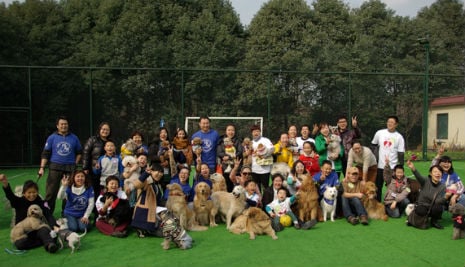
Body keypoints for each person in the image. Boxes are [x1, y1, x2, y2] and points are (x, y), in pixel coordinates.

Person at [0, 174, 58, 253]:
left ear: (37, 192)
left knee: (45, 230)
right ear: (24, 193)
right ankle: (45, 241)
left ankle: (50, 245)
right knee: (19, 244)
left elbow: (48, 215)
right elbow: (10, 196)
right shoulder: (18, 202)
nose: (32, 195)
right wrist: (5, 184)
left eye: (34, 192)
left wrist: (54, 226)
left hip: (38, 229)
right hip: (23, 232)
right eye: (29, 192)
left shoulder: (41, 202)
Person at [38, 115, 82, 214]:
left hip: (70, 168)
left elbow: (79, 152)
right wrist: (41, 168)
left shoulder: (74, 138)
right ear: (57, 126)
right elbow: (45, 153)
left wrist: (75, 163)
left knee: (68, 192)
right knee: (51, 192)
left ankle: (66, 214)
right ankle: (47, 214)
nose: (64, 126)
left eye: (65, 124)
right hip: (55, 167)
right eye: (61, 124)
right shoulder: (52, 138)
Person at [371, 115, 405, 202]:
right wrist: (375, 159)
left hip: (392, 167)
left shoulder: (399, 137)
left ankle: (390, 204)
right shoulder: (379, 133)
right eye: (388, 122)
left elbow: (401, 153)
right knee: (377, 186)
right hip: (380, 166)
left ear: (396, 124)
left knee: (392, 187)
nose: (389, 124)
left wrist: (400, 167)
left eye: (392, 122)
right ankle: (377, 204)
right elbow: (373, 146)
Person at [406, 160, 447, 229]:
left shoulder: (442, 186)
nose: (437, 173)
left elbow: (438, 201)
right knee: (421, 210)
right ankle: (413, 218)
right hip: (422, 205)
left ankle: (434, 221)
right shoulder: (426, 180)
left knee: (439, 207)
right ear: (431, 173)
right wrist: (413, 168)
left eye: (440, 172)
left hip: (432, 206)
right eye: (435, 172)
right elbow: (418, 177)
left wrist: (445, 197)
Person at [82, 122, 111, 215]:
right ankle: (93, 212)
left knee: (102, 191)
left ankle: (102, 211)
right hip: (93, 170)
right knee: (93, 191)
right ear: (99, 130)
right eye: (103, 129)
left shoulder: (110, 142)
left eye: (107, 130)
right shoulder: (93, 140)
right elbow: (86, 152)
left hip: (106, 172)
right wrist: (85, 167)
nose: (105, 131)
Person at [131, 164, 165, 237]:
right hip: (145, 210)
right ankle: (142, 229)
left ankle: (149, 229)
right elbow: (136, 184)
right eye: (158, 172)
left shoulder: (158, 184)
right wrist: (145, 174)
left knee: (164, 232)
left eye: (161, 172)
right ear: (151, 171)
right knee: (162, 233)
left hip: (154, 209)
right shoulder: (146, 181)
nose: (160, 174)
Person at [217, 123, 243, 192]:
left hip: (236, 168)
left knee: (236, 188)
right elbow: (219, 152)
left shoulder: (238, 141)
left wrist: (228, 157)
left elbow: (240, 152)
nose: (231, 132)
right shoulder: (221, 141)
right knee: (227, 187)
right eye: (229, 130)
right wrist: (225, 157)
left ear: (235, 131)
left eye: (232, 130)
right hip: (225, 168)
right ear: (226, 131)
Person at [250, 125, 274, 192]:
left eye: (257, 131)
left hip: (265, 170)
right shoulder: (251, 142)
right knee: (256, 189)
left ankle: (266, 201)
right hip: (254, 169)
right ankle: (258, 201)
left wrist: (263, 155)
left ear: (260, 132)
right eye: (254, 131)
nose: (256, 133)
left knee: (266, 188)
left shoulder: (265, 140)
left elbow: (272, 149)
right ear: (252, 133)